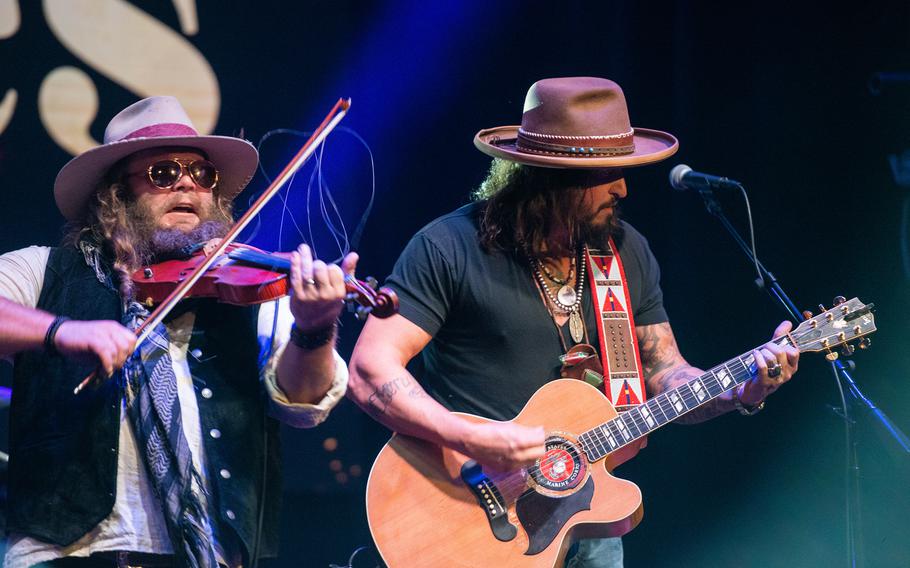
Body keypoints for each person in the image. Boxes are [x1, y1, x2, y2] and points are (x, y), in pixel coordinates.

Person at [347, 77, 799, 567]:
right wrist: (471, 438)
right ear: (553, 178)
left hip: (590, 516)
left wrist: (738, 389)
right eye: (608, 175)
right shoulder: (449, 247)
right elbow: (371, 371)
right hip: (469, 517)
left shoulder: (625, 252)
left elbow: (667, 373)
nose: (623, 188)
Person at [0, 96, 356, 568]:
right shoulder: (45, 270)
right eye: (163, 174)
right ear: (115, 196)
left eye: (202, 175)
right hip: (67, 553)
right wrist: (64, 332)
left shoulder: (252, 292)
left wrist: (314, 329)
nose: (188, 182)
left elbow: (303, 406)